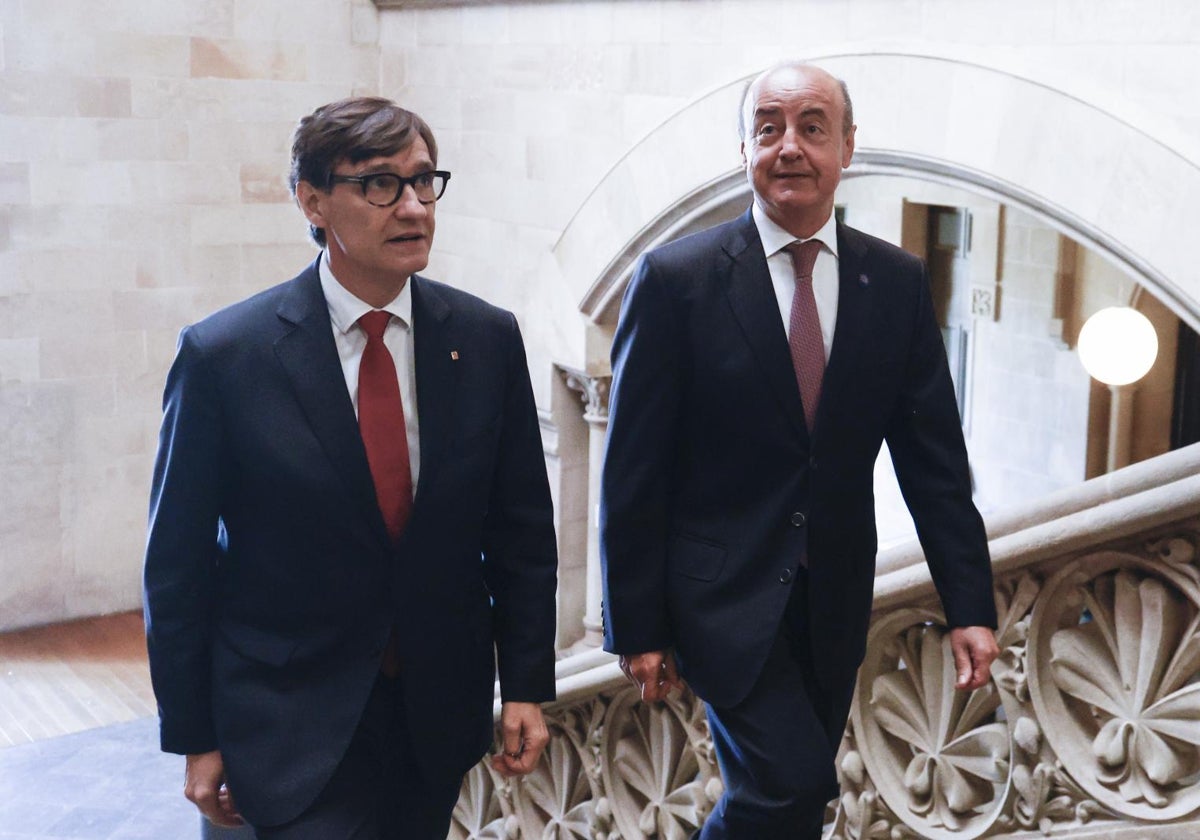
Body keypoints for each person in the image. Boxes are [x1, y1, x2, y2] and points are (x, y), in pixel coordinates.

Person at [600, 62, 1000, 839]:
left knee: (793, 805)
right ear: (743, 148)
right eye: (769, 127)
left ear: (848, 146)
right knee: (792, 781)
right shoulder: (676, 280)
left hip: (834, 595)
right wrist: (636, 623)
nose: (790, 146)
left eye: (813, 127)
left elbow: (935, 467)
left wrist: (970, 606)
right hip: (718, 597)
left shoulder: (897, 281)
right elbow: (631, 472)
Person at [143, 96, 559, 839]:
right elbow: (176, 567)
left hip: (434, 716)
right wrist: (194, 734)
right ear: (312, 200)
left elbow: (522, 530)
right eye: (380, 185)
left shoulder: (486, 339)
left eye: (425, 181)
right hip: (285, 717)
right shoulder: (225, 356)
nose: (413, 207)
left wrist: (525, 683)